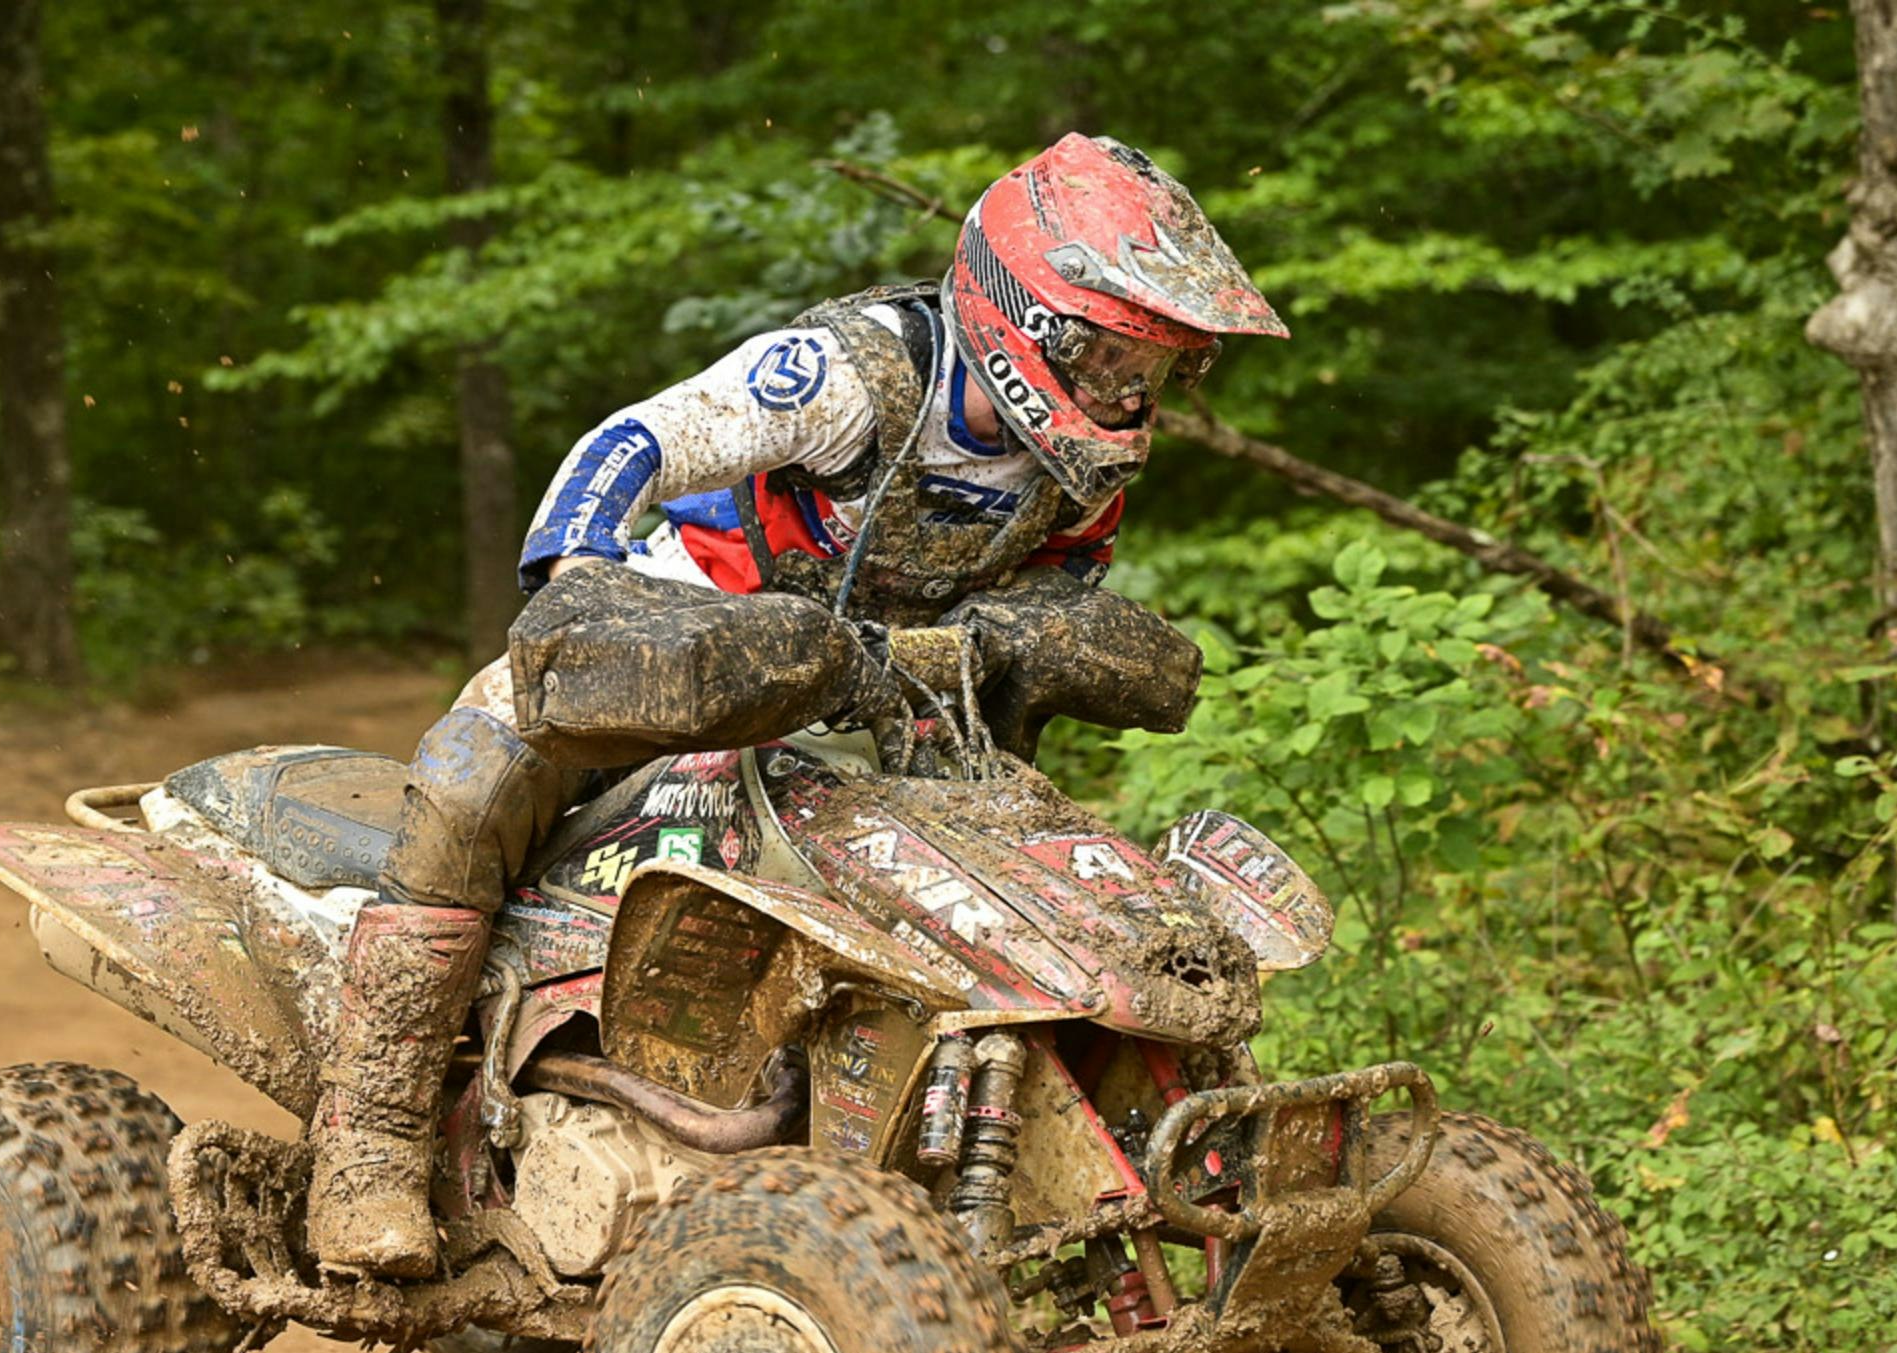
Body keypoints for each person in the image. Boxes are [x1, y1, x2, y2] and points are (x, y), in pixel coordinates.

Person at [305, 132, 1289, 1279]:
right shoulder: (848, 376)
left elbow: (1045, 605)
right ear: (1028, 316)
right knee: (474, 781)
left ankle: (1021, 1147)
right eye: (1116, 354)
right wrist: (577, 578)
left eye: (1158, 366)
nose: (1134, 389)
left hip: (878, 689)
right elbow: (633, 440)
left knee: (1029, 885)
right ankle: (367, 1150)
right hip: (692, 630)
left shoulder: (1076, 467)